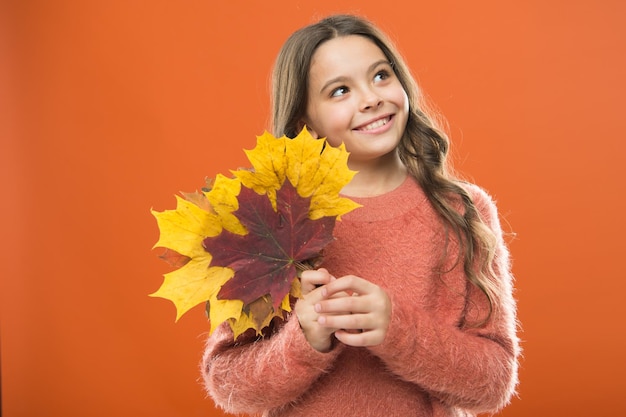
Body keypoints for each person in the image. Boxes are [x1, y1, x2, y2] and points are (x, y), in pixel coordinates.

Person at [201, 14, 520, 417]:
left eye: (381, 76)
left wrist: (398, 330)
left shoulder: (460, 210)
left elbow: (492, 385)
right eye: (339, 91)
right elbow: (230, 386)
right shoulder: (271, 220)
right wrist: (303, 340)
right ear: (305, 122)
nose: (370, 98)